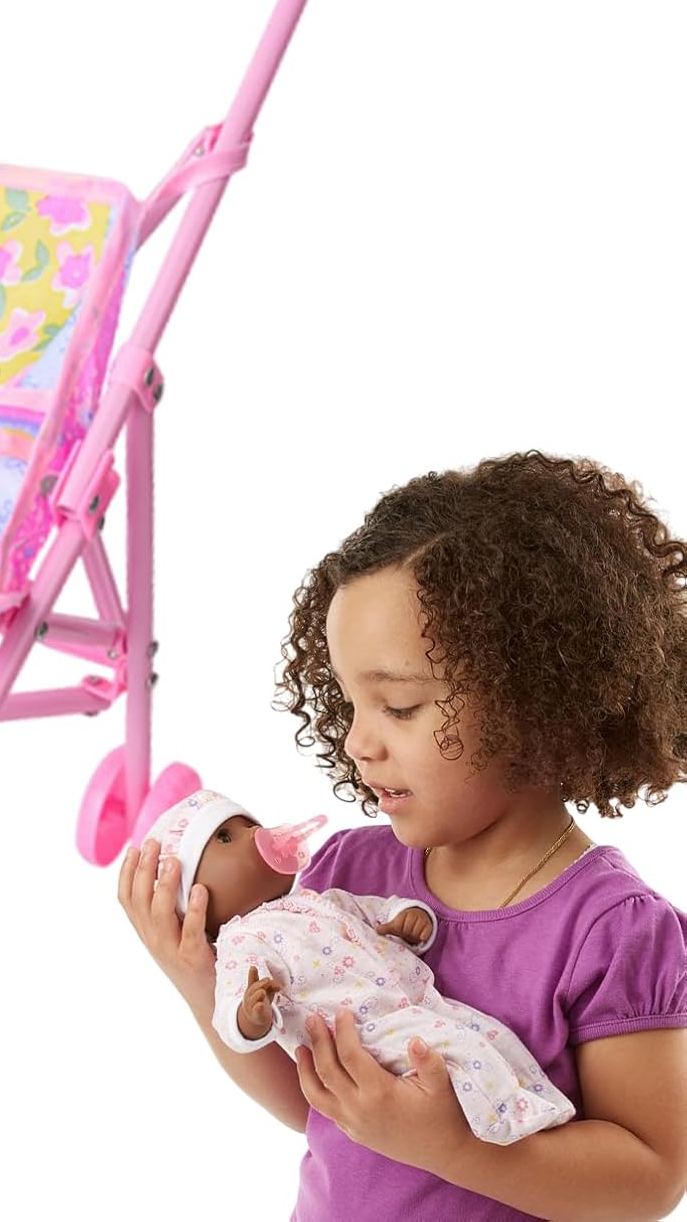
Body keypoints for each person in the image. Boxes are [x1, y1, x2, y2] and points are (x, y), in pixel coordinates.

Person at [118, 451, 687, 1220]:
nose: (358, 743)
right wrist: (197, 977)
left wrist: (456, 1147)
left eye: (400, 707)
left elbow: (649, 1181)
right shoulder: (346, 872)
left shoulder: (611, 931)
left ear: (529, 697)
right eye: (350, 704)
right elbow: (317, 1102)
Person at [144, 787, 576, 1145]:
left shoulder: (319, 900)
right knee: (462, 1050)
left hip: (416, 1001)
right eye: (225, 838)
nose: (255, 835)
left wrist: (409, 919)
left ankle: (543, 1104)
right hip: (365, 1032)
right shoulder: (242, 941)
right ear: (195, 895)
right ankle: (506, 1123)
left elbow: (376, 912)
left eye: (247, 824)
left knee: (489, 1035)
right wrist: (250, 1017)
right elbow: (230, 1008)